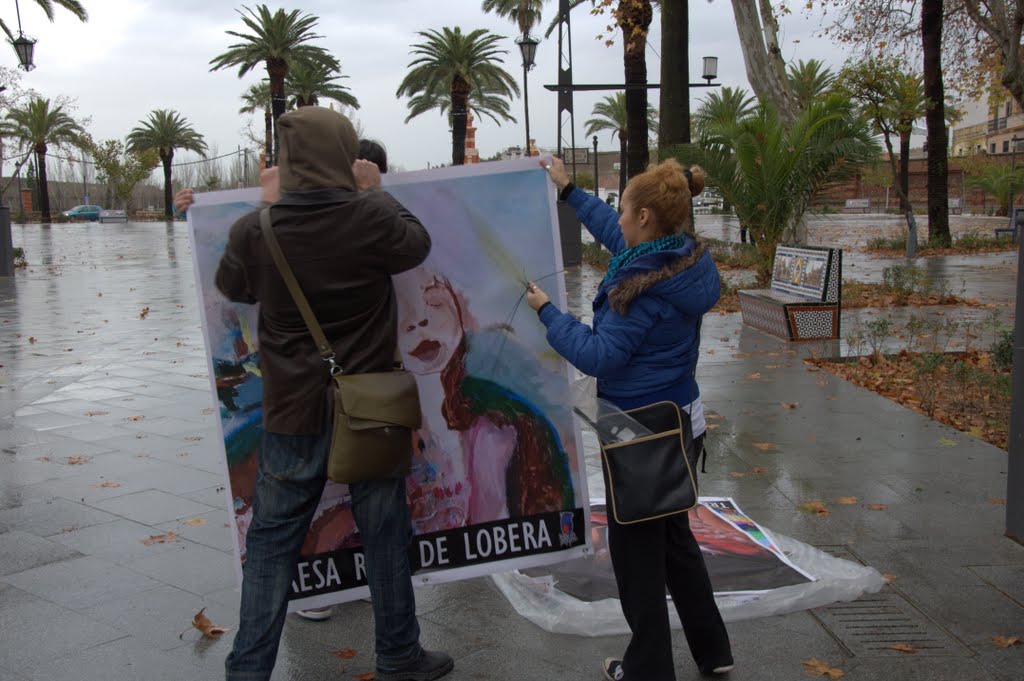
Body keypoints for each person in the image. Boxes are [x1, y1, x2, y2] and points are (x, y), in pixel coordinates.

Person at [213, 106, 453, 681]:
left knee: (272, 546)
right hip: (370, 406)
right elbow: (415, 245)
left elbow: (231, 285)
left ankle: (248, 670)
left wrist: (264, 208)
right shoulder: (367, 217)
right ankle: (398, 655)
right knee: (385, 533)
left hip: (292, 411)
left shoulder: (259, 227)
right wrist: (377, 192)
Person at [525, 156, 734, 681]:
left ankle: (647, 670)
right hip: (681, 417)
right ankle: (713, 649)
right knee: (673, 537)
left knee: (636, 552)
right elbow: (616, 240)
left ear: (644, 217)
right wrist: (570, 190)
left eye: (622, 209)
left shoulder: (637, 291)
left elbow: (598, 357)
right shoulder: (681, 260)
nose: (615, 219)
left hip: (639, 431)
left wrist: (549, 313)